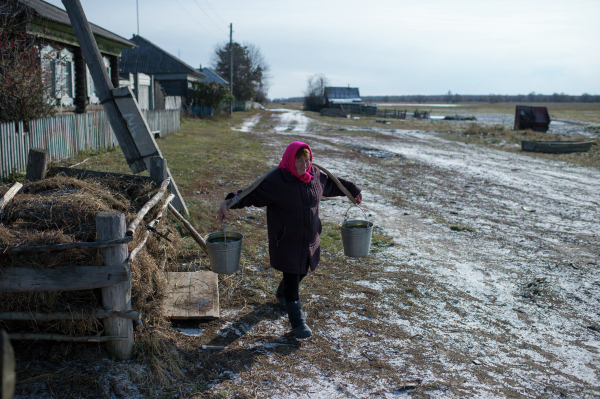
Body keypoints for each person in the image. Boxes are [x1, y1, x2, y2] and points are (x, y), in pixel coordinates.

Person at [217, 141, 362, 339]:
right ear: (290, 160)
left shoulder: (316, 176)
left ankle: (282, 292)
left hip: (310, 238)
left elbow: (334, 184)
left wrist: (353, 190)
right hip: (287, 241)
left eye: (307, 160)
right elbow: (252, 194)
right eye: (299, 161)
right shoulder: (277, 180)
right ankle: (298, 323)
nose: (304, 165)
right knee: (293, 278)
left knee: (302, 271)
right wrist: (229, 202)